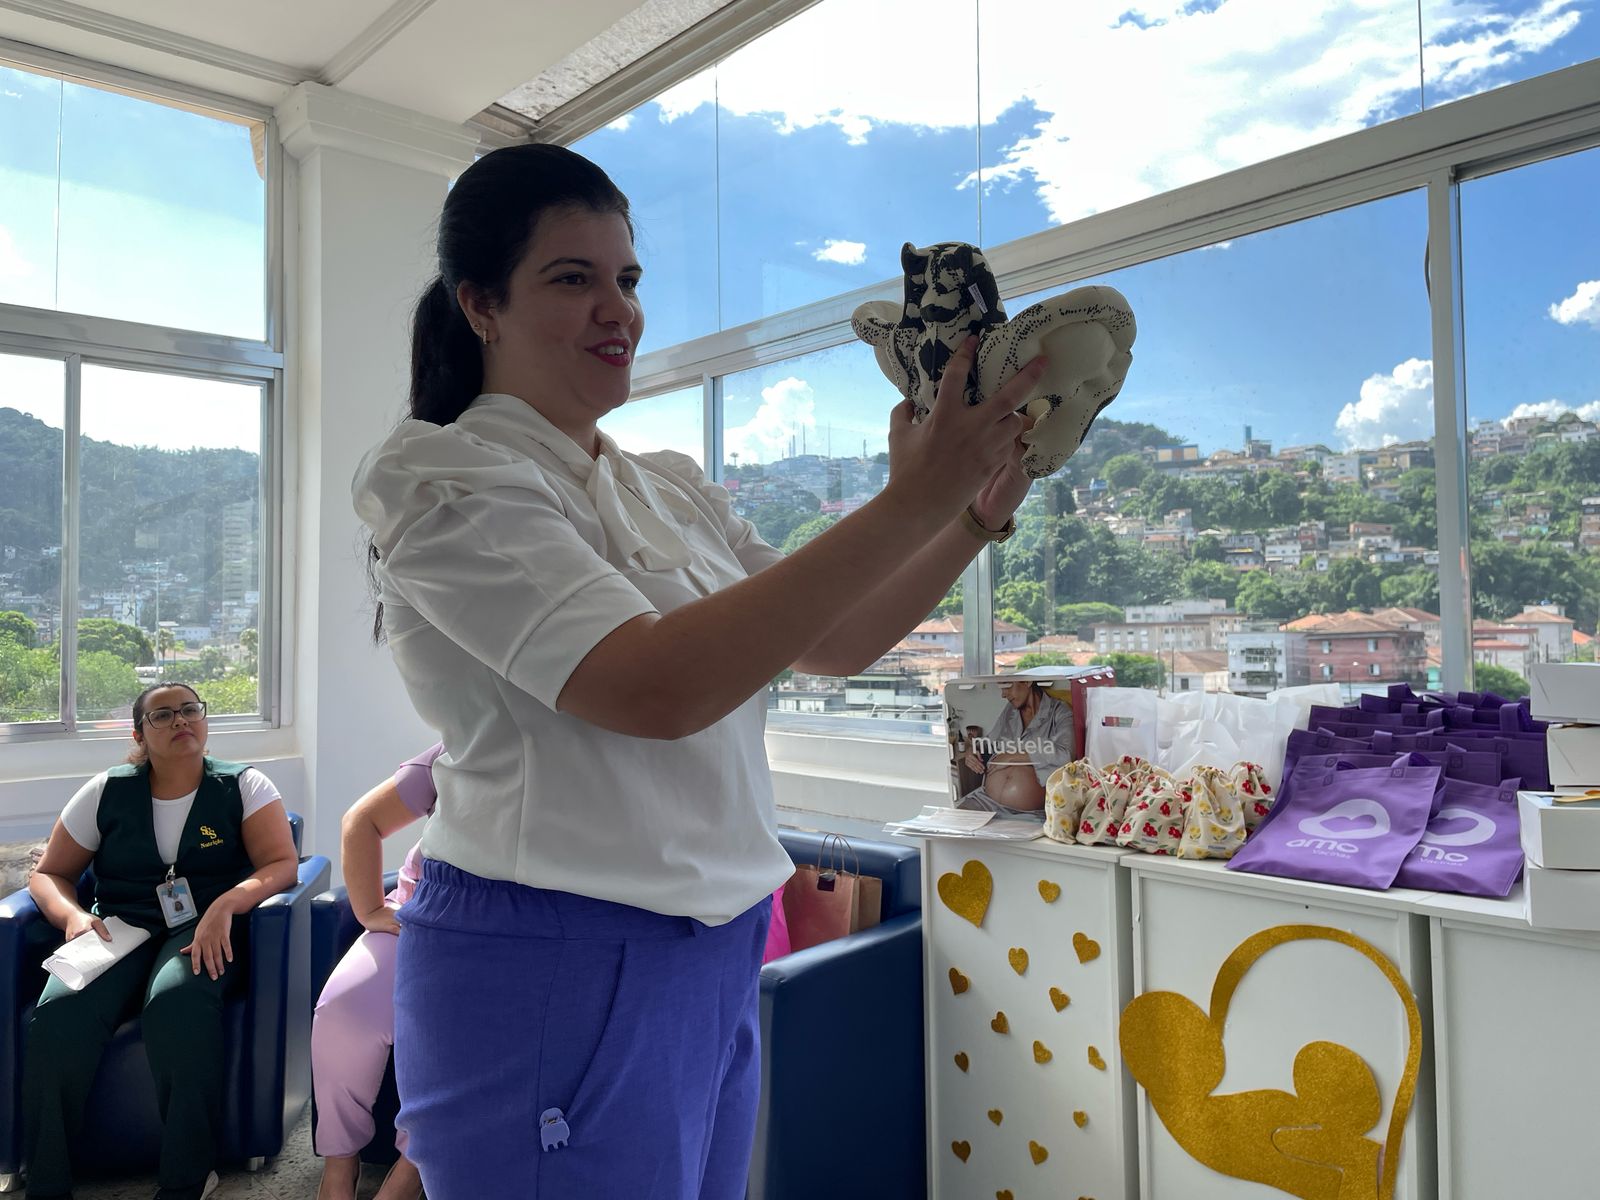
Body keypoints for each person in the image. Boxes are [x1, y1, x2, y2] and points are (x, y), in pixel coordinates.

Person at [350, 142, 1046, 1198]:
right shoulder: (441, 473)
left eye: (627, 279)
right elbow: (651, 687)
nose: (618, 312)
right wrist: (909, 500)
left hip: (715, 944)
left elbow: (834, 639)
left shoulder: (669, 484)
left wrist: (966, 516)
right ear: (480, 304)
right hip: (551, 951)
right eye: (572, 279)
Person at [23, 683, 300, 1200]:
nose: (181, 721)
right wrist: (73, 918)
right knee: (58, 1013)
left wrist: (228, 904)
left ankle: (186, 1179)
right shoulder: (106, 790)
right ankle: (46, 1182)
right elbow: (49, 874)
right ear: (138, 735)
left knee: (177, 1002)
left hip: (205, 926)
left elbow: (282, 865)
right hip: (120, 926)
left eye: (190, 710)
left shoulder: (244, 785)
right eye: (163, 715)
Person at [312, 746, 442, 1200]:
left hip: (499, 939)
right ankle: (339, 1162)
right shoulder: (456, 747)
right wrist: (370, 909)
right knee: (343, 1013)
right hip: (414, 913)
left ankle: (410, 1172)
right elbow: (362, 819)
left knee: (449, 1037)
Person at [957, 678, 1073, 816]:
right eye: (1001, 688)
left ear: (1027, 682)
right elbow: (990, 741)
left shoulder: (1060, 712)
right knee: (951, 822)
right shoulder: (1011, 710)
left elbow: (1066, 754)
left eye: (1007, 687)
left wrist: (1012, 757)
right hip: (986, 801)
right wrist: (972, 750)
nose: (1003, 694)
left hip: (1030, 812)